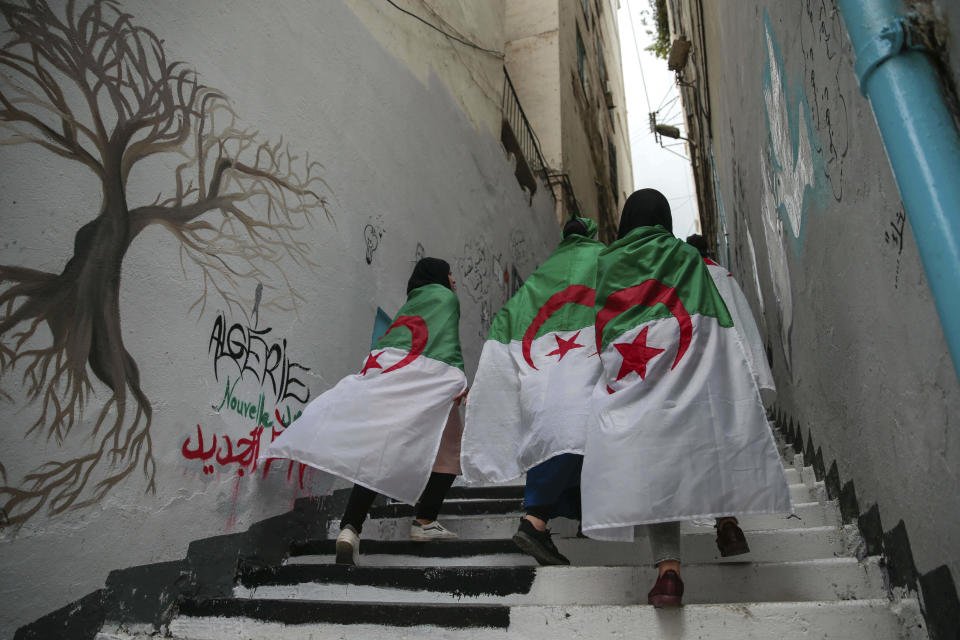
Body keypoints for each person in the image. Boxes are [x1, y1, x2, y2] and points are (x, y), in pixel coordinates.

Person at [580, 190, 792, 607]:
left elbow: (603, 323)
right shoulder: (686, 257)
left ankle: (668, 573)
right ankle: (727, 521)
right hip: (684, 367)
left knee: (660, 472)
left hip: (636, 376)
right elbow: (712, 319)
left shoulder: (606, 262)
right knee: (705, 442)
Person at [261, 258, 468, 566]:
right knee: (450, 451)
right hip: (426, 383)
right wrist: (457, 377)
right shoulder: (446, 298)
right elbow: (445, 342)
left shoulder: (413, 301)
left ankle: (350, 528)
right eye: (450, 274)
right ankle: (424, 522)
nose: (454, 280)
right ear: (439, 276)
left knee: (378, 455)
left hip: (390, 379)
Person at [461, 217, 605, 565]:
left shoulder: (542, 276)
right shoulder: (605, 260)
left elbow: (507, 319)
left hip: (545, 377)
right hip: (588, 365)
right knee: (582, 438)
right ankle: (537, 522)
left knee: (555, 441)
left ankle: (579, 518)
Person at [686, 233, 779, 557]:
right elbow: (742, 323)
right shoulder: (722, 276)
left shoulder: (682, 278)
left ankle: (723, 520)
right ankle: (727, 521)